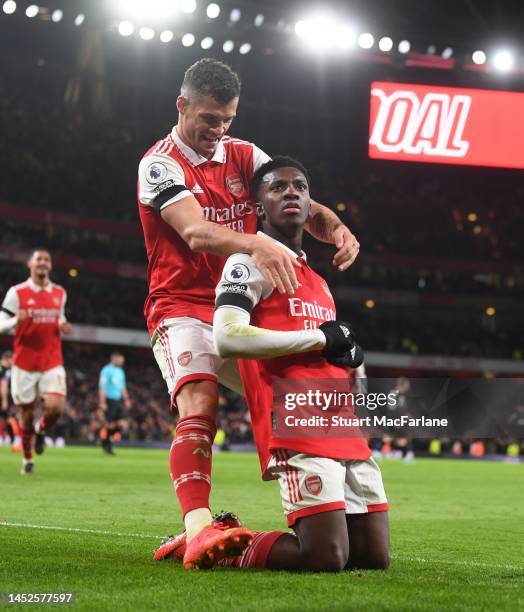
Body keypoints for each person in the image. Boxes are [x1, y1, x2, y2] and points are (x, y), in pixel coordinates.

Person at [139, 58, 360, 569]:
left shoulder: (243, 154)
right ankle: (197, 528)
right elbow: (194, 232)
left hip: (240, 306)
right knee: (200, 399)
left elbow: (295, 199)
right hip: (181, 306)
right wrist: (259, 247)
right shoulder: (160, 164)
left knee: (300, 390)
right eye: (209, 120)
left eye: (227, 121)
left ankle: (323, 509)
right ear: (183, 105)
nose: (218, 131)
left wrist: (337, 228)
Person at [211, 157, 389, 571]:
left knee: (372, 557)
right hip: (297, 420)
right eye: (277, 188)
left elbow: (325, 347)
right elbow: (225, 337)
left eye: (300, 187)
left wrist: (349, 359)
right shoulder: (247, 261)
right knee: (325, 557)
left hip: (342, 422)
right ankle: (222, 543)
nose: (291, 192)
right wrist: (320, 338)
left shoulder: (319, 281)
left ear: (311, 206)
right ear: (258, 208)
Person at [0, 249, 72, 474]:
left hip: (52, 361)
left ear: (50, 266)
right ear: (29, 263)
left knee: (55, 408)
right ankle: (27, 459)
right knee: (27, 415)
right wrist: (14, 321)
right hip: (24, 364)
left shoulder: (60, 293)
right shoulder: (17, 292)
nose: (42, 262)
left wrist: (63, 324)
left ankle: (42, 430)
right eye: (38, 259)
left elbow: (59, 317)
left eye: (47, 259)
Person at [98, 351, 131, 455]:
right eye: (121, 359)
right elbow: (102, 387)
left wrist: (126, 399)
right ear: (114, 359)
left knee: (123, 424)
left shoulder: (120, 371)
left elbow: (122, 387)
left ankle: (105, 441)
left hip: (118, 400)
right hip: (109, 400)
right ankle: (107, 444)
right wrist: (102, 402)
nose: (122, 362)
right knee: (110, 425)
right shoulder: (106, 370)